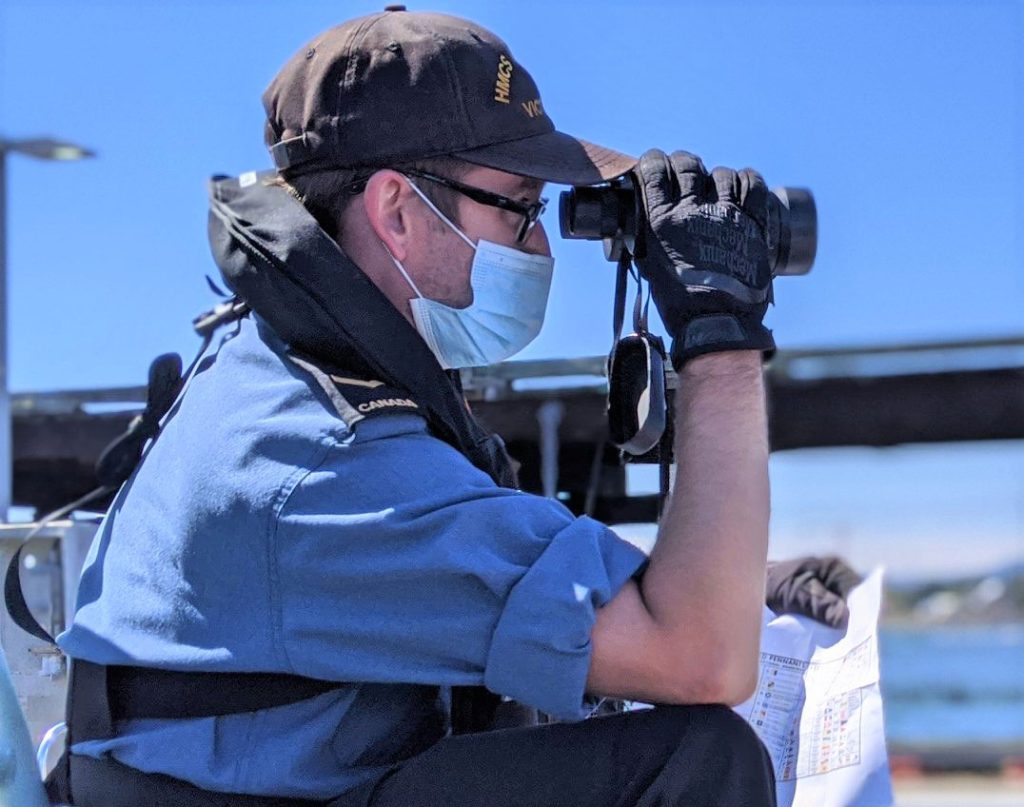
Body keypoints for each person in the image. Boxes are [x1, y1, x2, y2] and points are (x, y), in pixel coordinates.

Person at [51, 7, 858, 807]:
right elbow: (700, 657)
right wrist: (720, 340)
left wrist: (742, 581)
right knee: (695, 758)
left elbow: (495, 563)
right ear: (397, 211)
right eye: (520, 206)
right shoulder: (327, 456)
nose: (539, 248)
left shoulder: (291, 367)